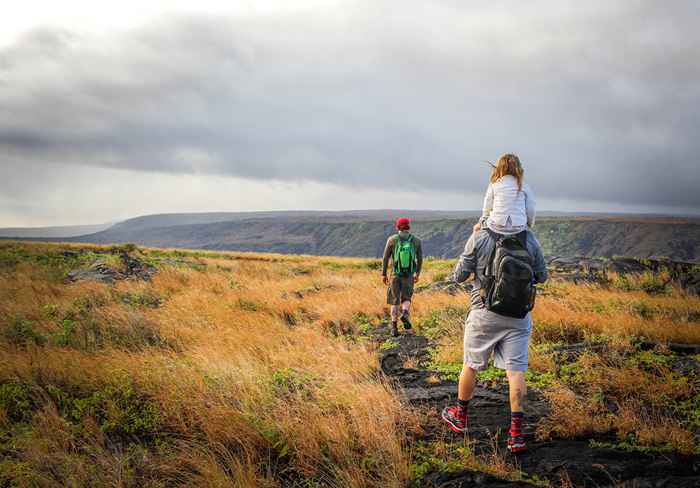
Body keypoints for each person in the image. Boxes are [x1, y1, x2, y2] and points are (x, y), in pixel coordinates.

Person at [440, 225, 548, 453]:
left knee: (470, 365)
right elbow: (542, 276)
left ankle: (460, 418)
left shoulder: (480, 235)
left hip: (484, 312)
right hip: (519, 316)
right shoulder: (529, 238)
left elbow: (459, 275)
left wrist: (474, 238)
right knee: (516, 372)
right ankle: (516, 435)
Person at [473, 153, 536, 235]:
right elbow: (530, 209)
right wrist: (530, 224)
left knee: (471, 244)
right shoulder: (525, 186)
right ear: (518, 168)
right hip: (519, 227)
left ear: (500, 168)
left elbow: (487, 206)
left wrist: (482, 221)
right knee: (536, 247)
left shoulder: (495, 184)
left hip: (496, 225)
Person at [381, 217, 423, 337]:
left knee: (394, 300)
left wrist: (383, 274)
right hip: (409, 275)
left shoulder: (392, 239)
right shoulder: (416, 241)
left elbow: (385, 258)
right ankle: (404, 313)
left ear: (398, 227)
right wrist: (417, 273)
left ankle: (394, 328)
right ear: (408, 226)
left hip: (395, 274)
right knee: (406, 298)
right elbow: (419, 259)